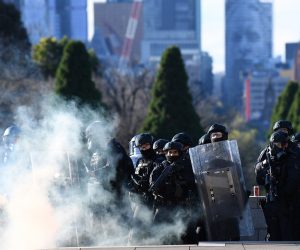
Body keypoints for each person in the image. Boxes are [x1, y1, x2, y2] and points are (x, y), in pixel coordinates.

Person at [149, 141, 201, 244]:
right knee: (158, 235)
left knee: (189, 237)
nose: (171, 155)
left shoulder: (187, 167)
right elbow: (153, 184)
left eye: (174, 152)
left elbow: (194, 183)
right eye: (169, 152)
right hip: (164, 207)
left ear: (180, 153)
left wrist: (180, 175)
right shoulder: (161, 167)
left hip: (182, 207)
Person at [255, 131, 300, 240]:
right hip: (273, 200)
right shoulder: (266, 153)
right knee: (274, 234)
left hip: (290, 202)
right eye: (278, 144)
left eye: (283, 144)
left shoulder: (294, 153)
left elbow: (294, 178)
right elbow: (258, 175)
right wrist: (265, 164)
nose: (281, 147)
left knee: (290, 234)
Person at [128, 132, 163, 243]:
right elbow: (136, 177)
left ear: (151, 145)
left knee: (154, 235)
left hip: (155, 202)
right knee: (135, 233)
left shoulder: (158, 161)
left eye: (146, 146)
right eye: (141, 147)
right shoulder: (140, 161)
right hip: (141, 201)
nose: (144, 149)